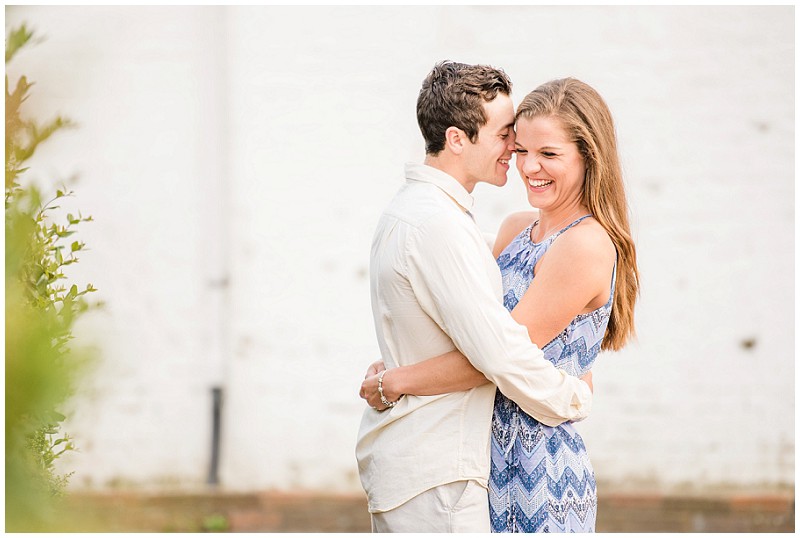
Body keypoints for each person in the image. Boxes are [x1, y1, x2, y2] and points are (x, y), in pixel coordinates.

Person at [361, 77, 639, 532]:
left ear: (589, 156)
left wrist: (398, 379)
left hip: (538, 466)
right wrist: (394, 357)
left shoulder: (585, 245)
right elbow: (465, 327)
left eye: (549, 154)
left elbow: (495, 357)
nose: (529, 166)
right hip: (481, 456)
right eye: (522, 149)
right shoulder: (515, 228)